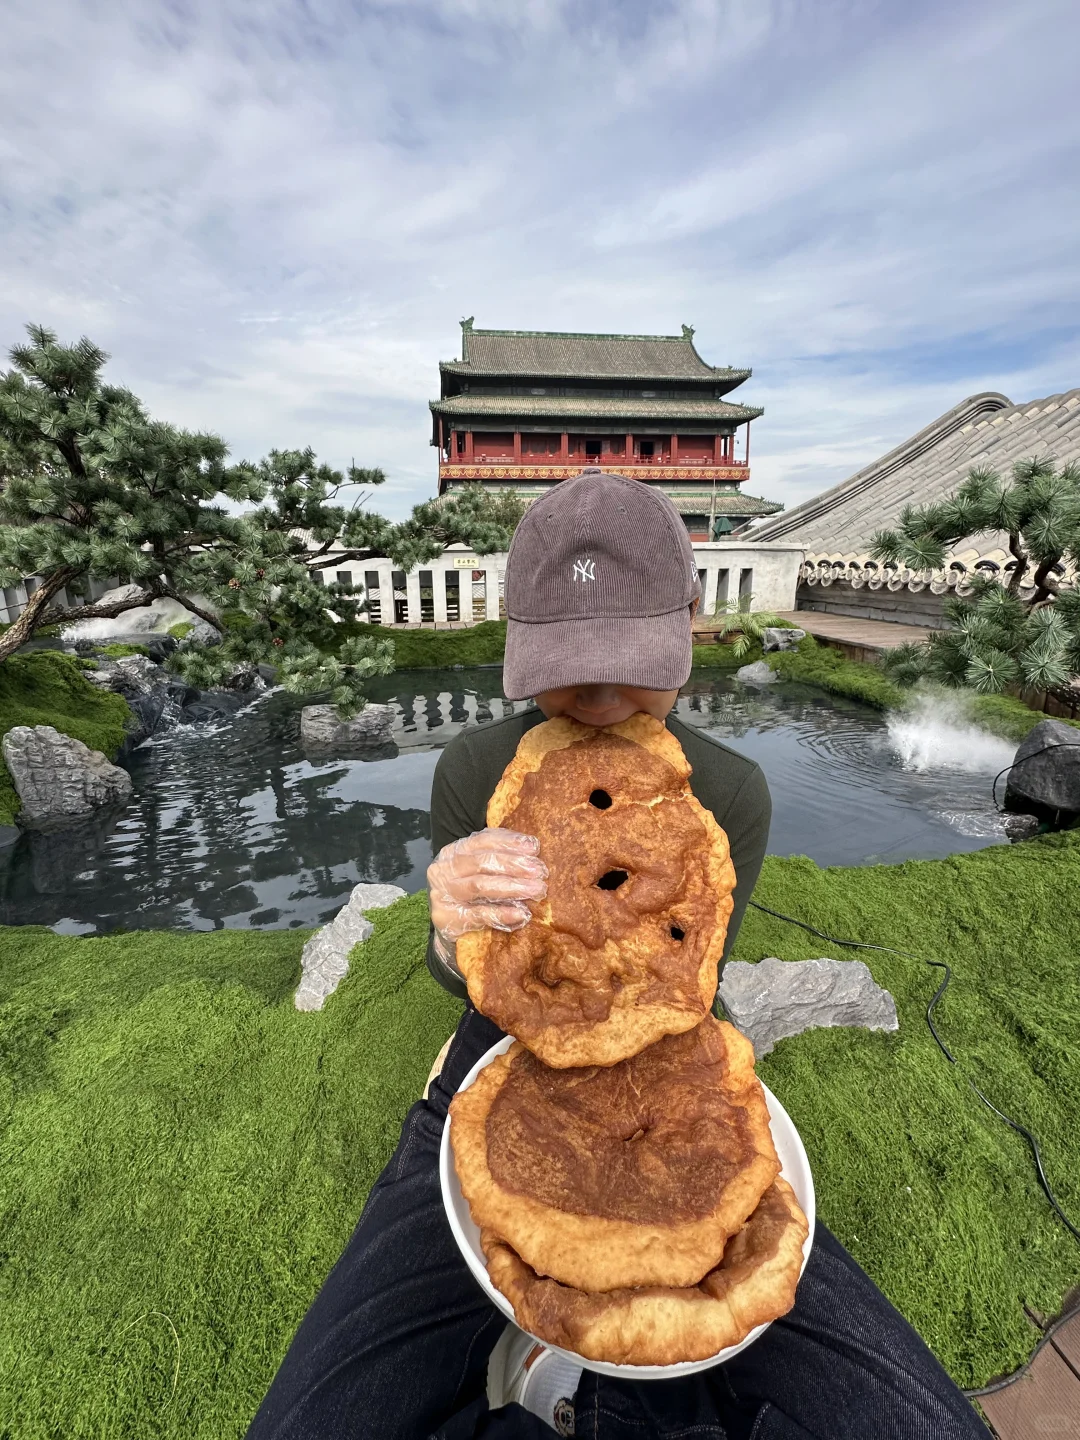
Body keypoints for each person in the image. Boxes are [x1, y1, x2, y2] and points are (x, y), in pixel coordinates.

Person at [247, 473, 988, 1439]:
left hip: (683, 1070)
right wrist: (450, 928)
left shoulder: (731, 791)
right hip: (497, 1061)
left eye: (631, 661)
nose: (597, 701)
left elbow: (689, 979)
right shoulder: (477, 769)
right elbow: (471, 977)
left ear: (689, 621)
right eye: (565, 665)